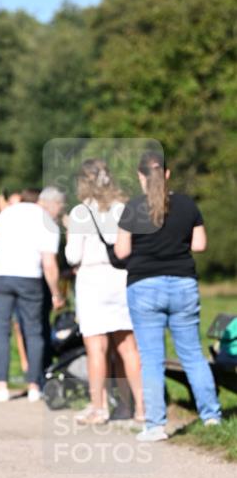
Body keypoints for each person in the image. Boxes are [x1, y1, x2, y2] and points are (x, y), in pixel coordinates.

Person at [115, 150, 222, 441]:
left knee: (151, 358)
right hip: (183, 284)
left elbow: (122, 251)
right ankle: (211, 416)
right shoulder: (188, 205)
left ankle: (156, 425)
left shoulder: (133, 207)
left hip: (144, 285)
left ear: (140, 176)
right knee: (192, 354)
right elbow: (199, 245)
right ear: (167, 173)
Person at [64, 159, 144, 425]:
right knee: (128, 346)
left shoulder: (80, 212)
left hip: (92, 280)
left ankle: (99, 408)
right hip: (121, 278)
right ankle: (139, 409)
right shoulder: (124, 208)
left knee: (96, 348)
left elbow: (73, 255)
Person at [0, 188, 66, 403]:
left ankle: (1, 386)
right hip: (30, 277)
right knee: (34, 331)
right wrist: (56, 293)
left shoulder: (9, 212)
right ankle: (35, 386)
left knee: (2, 331)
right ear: (49, 204)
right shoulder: (47, 222)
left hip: (2, 275)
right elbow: (49, 263)